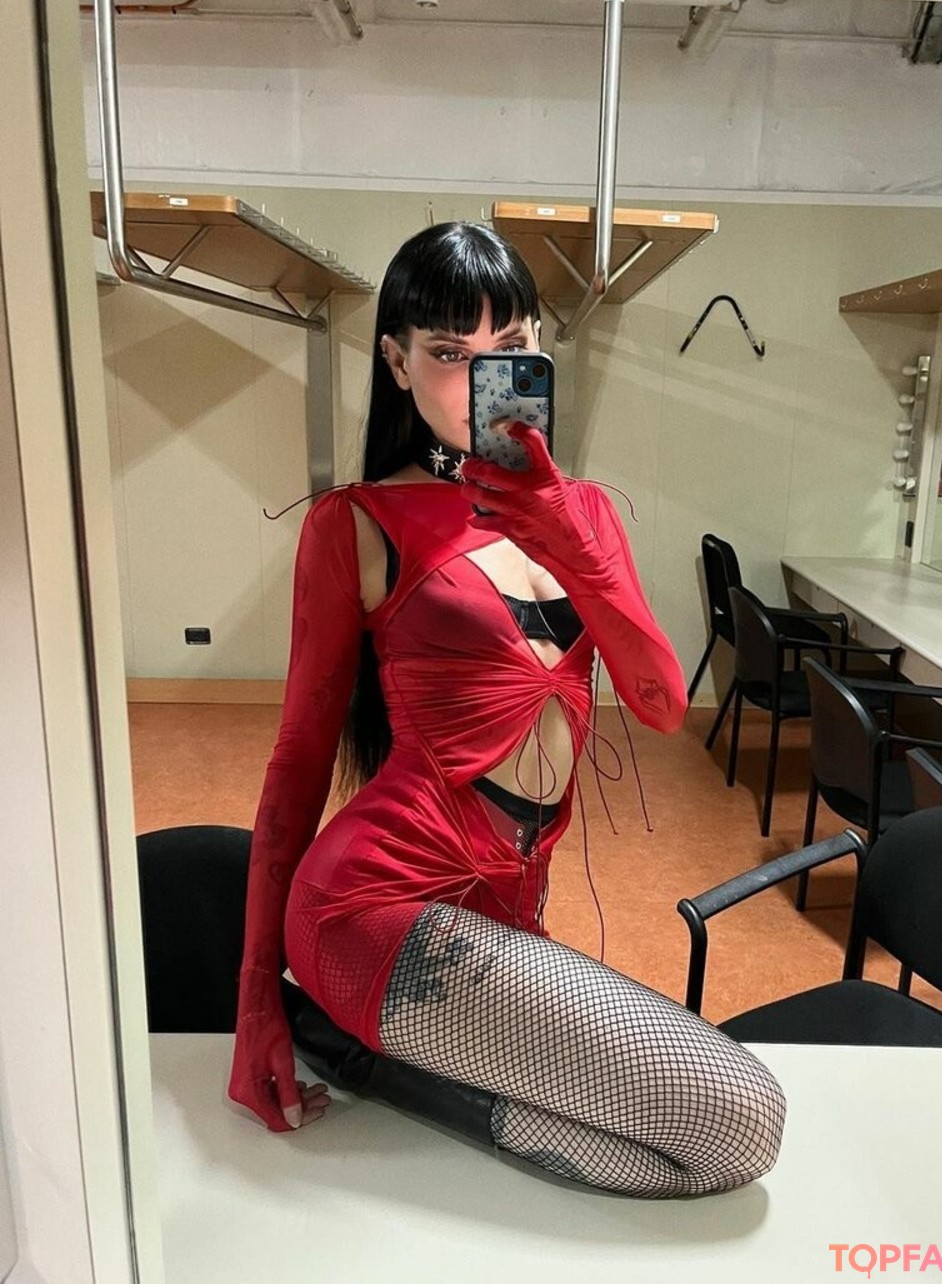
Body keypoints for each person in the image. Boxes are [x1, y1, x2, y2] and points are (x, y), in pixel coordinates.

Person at [228, 221, 786, 1197]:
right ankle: (354, 1042)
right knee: (739, 1122)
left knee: (689, 1147)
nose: (484, 378)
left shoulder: (590, 514)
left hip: (501, 914)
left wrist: (568, 535)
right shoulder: (357, 523)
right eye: (451, 354)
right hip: (371, 905)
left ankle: (376, 1060)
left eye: (513, 347)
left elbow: (661, 704)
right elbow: (298, 765)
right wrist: (254, 1009)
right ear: (396, 362)